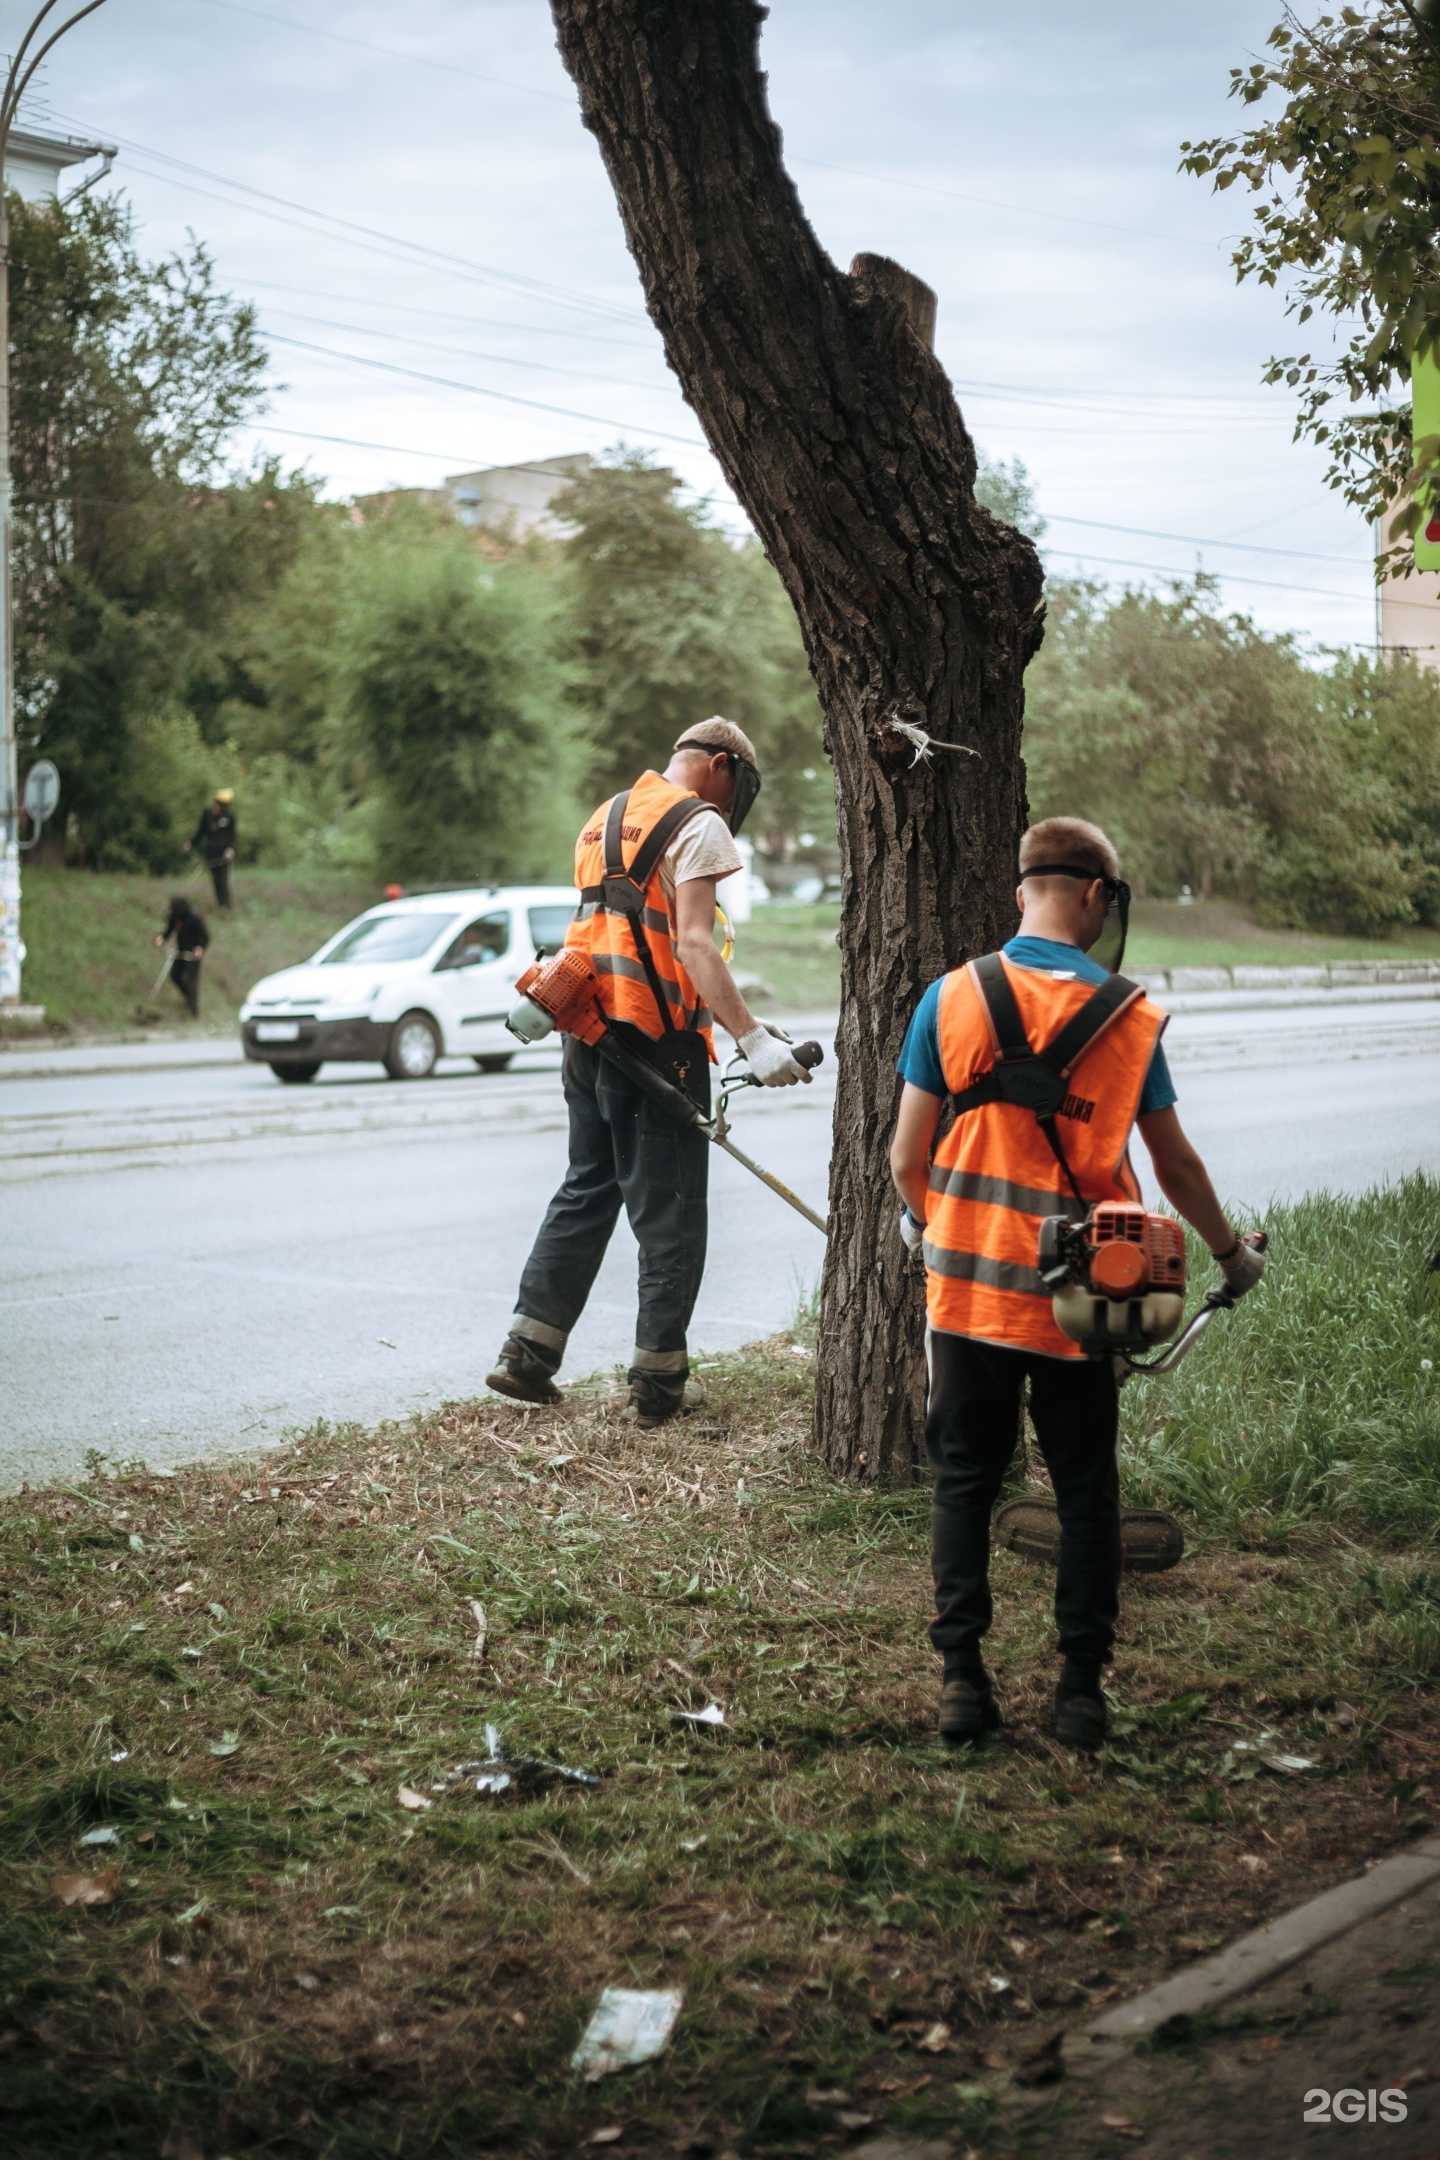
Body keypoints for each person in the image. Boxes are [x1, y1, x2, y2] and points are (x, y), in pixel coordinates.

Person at [888, 817, 1265, 1751]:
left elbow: (907, 1158)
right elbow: (1173, 1164)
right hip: (1084, 1300)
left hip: (969, 1294)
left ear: (1023, 890)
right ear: (1097, 896)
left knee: (964, 1482)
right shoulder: (1129, 1018)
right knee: (1086, 1487)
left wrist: (929, 1226)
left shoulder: (951, 997)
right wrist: (1230, 1255)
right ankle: (1080, 1693)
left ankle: (963, 1685)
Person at [486, 718, 812, 1427]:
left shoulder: (606, 817)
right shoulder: (699, 822)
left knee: (587, 1189)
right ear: (722, 766)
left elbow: (637, 934)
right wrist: (751, 1040)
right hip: (655, 1044)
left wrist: (741, 1022)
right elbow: (694, 943)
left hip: (585, 1031)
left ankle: (526, 1355)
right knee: (672, 1215)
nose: (733, 808)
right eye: (738, 790)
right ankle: (660, 1384)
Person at [155, 895, 210, 1019]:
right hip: (180, 952)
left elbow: (205, 936)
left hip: (192, 955)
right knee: (175, 975)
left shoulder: (194, 919)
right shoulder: (174, 918)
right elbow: (169, 930)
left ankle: (193, 1010)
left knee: (190, 980)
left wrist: (200, 947)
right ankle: (187, 998)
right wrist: (162, 938)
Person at [191, 790, 237, 910]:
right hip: (211, 853)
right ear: (215, 802)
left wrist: (230, 849)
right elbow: (200, 832)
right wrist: (190, 843)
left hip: (224, 855)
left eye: (225, 805)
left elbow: (232, 836)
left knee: (223, 880)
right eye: (220, 804)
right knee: (216, 881)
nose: (222, 807)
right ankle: (220, 904)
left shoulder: (229, 816)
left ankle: (226, 907)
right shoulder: (207, 814)